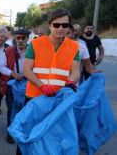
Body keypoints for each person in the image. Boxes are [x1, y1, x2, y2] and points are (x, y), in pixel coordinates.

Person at [22, 8, 80, 155]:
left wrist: (71, 81)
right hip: (34, 99)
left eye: (65, 25)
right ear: (50, 25)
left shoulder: (74, 47)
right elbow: (27, 70)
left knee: (52, 139)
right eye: (56, 25)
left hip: (58, 101)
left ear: (69, 27)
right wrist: (41, 86)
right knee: (29, 137)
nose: (61, 28)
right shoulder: (35, 44)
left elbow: (76, 70)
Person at [0, 29, 30, 144]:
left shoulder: (33, 51)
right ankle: (10, 133)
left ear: (27, 39)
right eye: (18, 38)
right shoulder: (8, 51)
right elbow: (1, 67)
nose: (20, 40)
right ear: (15, 39)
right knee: (12, 109)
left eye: (23, 38)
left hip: (29, 83)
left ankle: (22, 131)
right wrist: (12, 73)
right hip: (12, 84)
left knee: (26, 109)